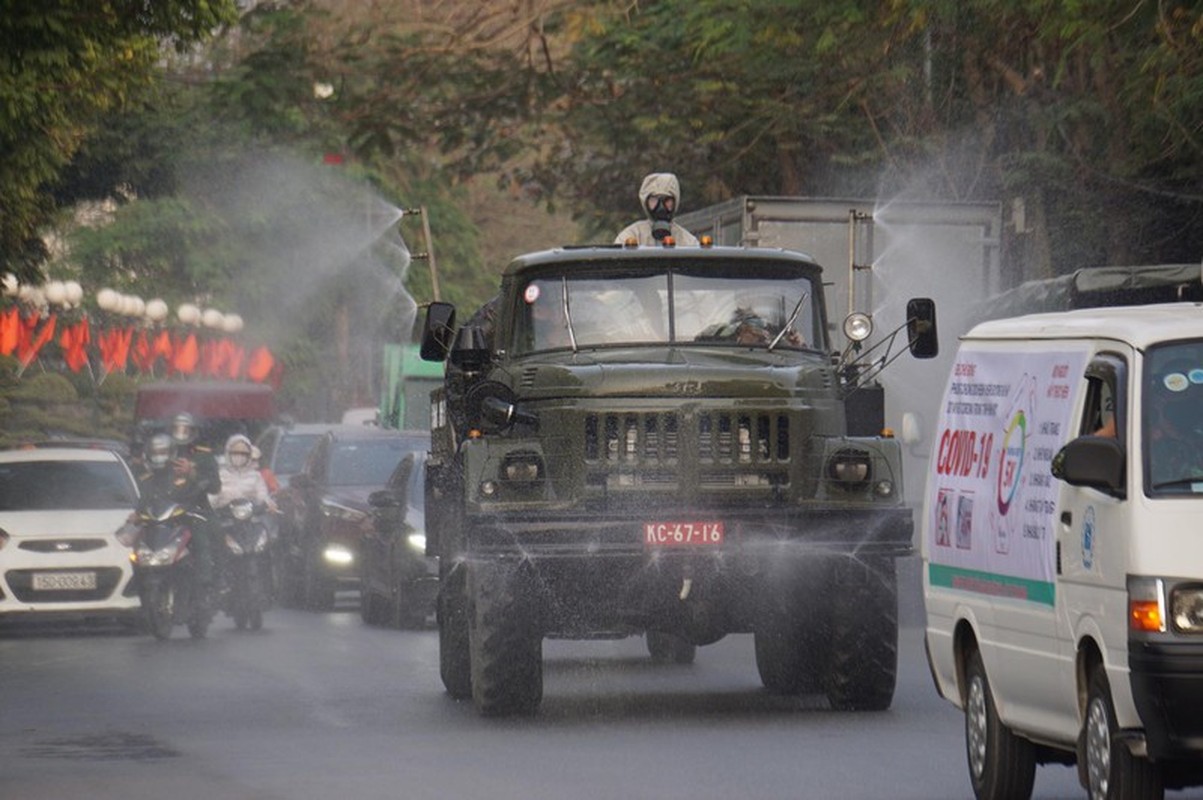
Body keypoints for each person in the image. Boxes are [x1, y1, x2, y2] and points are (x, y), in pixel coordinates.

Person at [614, 172, 701, 247]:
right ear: (646, 202)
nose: (661, 207)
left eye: (667, 200)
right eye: (654, 200)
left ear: (675, 202)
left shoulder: (687, 242)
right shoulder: (631, 237)